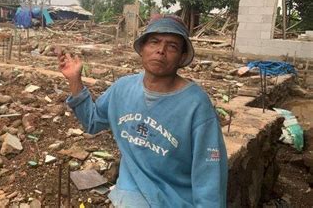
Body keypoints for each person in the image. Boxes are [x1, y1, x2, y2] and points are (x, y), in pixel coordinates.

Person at [58, 14, 228, 207]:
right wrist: (74, 81)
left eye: (172, 46)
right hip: (128, 197)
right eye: (154, 42)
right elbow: (92, 121)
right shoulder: (122, 89)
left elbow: (209, 176)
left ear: (181, 57)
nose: (161, 51)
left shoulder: (196, 105)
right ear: (142, 49)